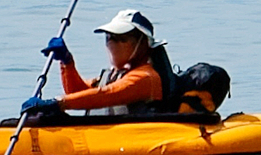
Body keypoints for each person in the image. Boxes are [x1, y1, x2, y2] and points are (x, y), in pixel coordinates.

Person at [32, 10, 176, 122]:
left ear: (143, 43)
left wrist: (57, 103)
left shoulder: (146, 77)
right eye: (109, 38)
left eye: (121, 39)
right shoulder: (115, 74)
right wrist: (67, 63)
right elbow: (77, 93)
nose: (113, 43)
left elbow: (107, 94)